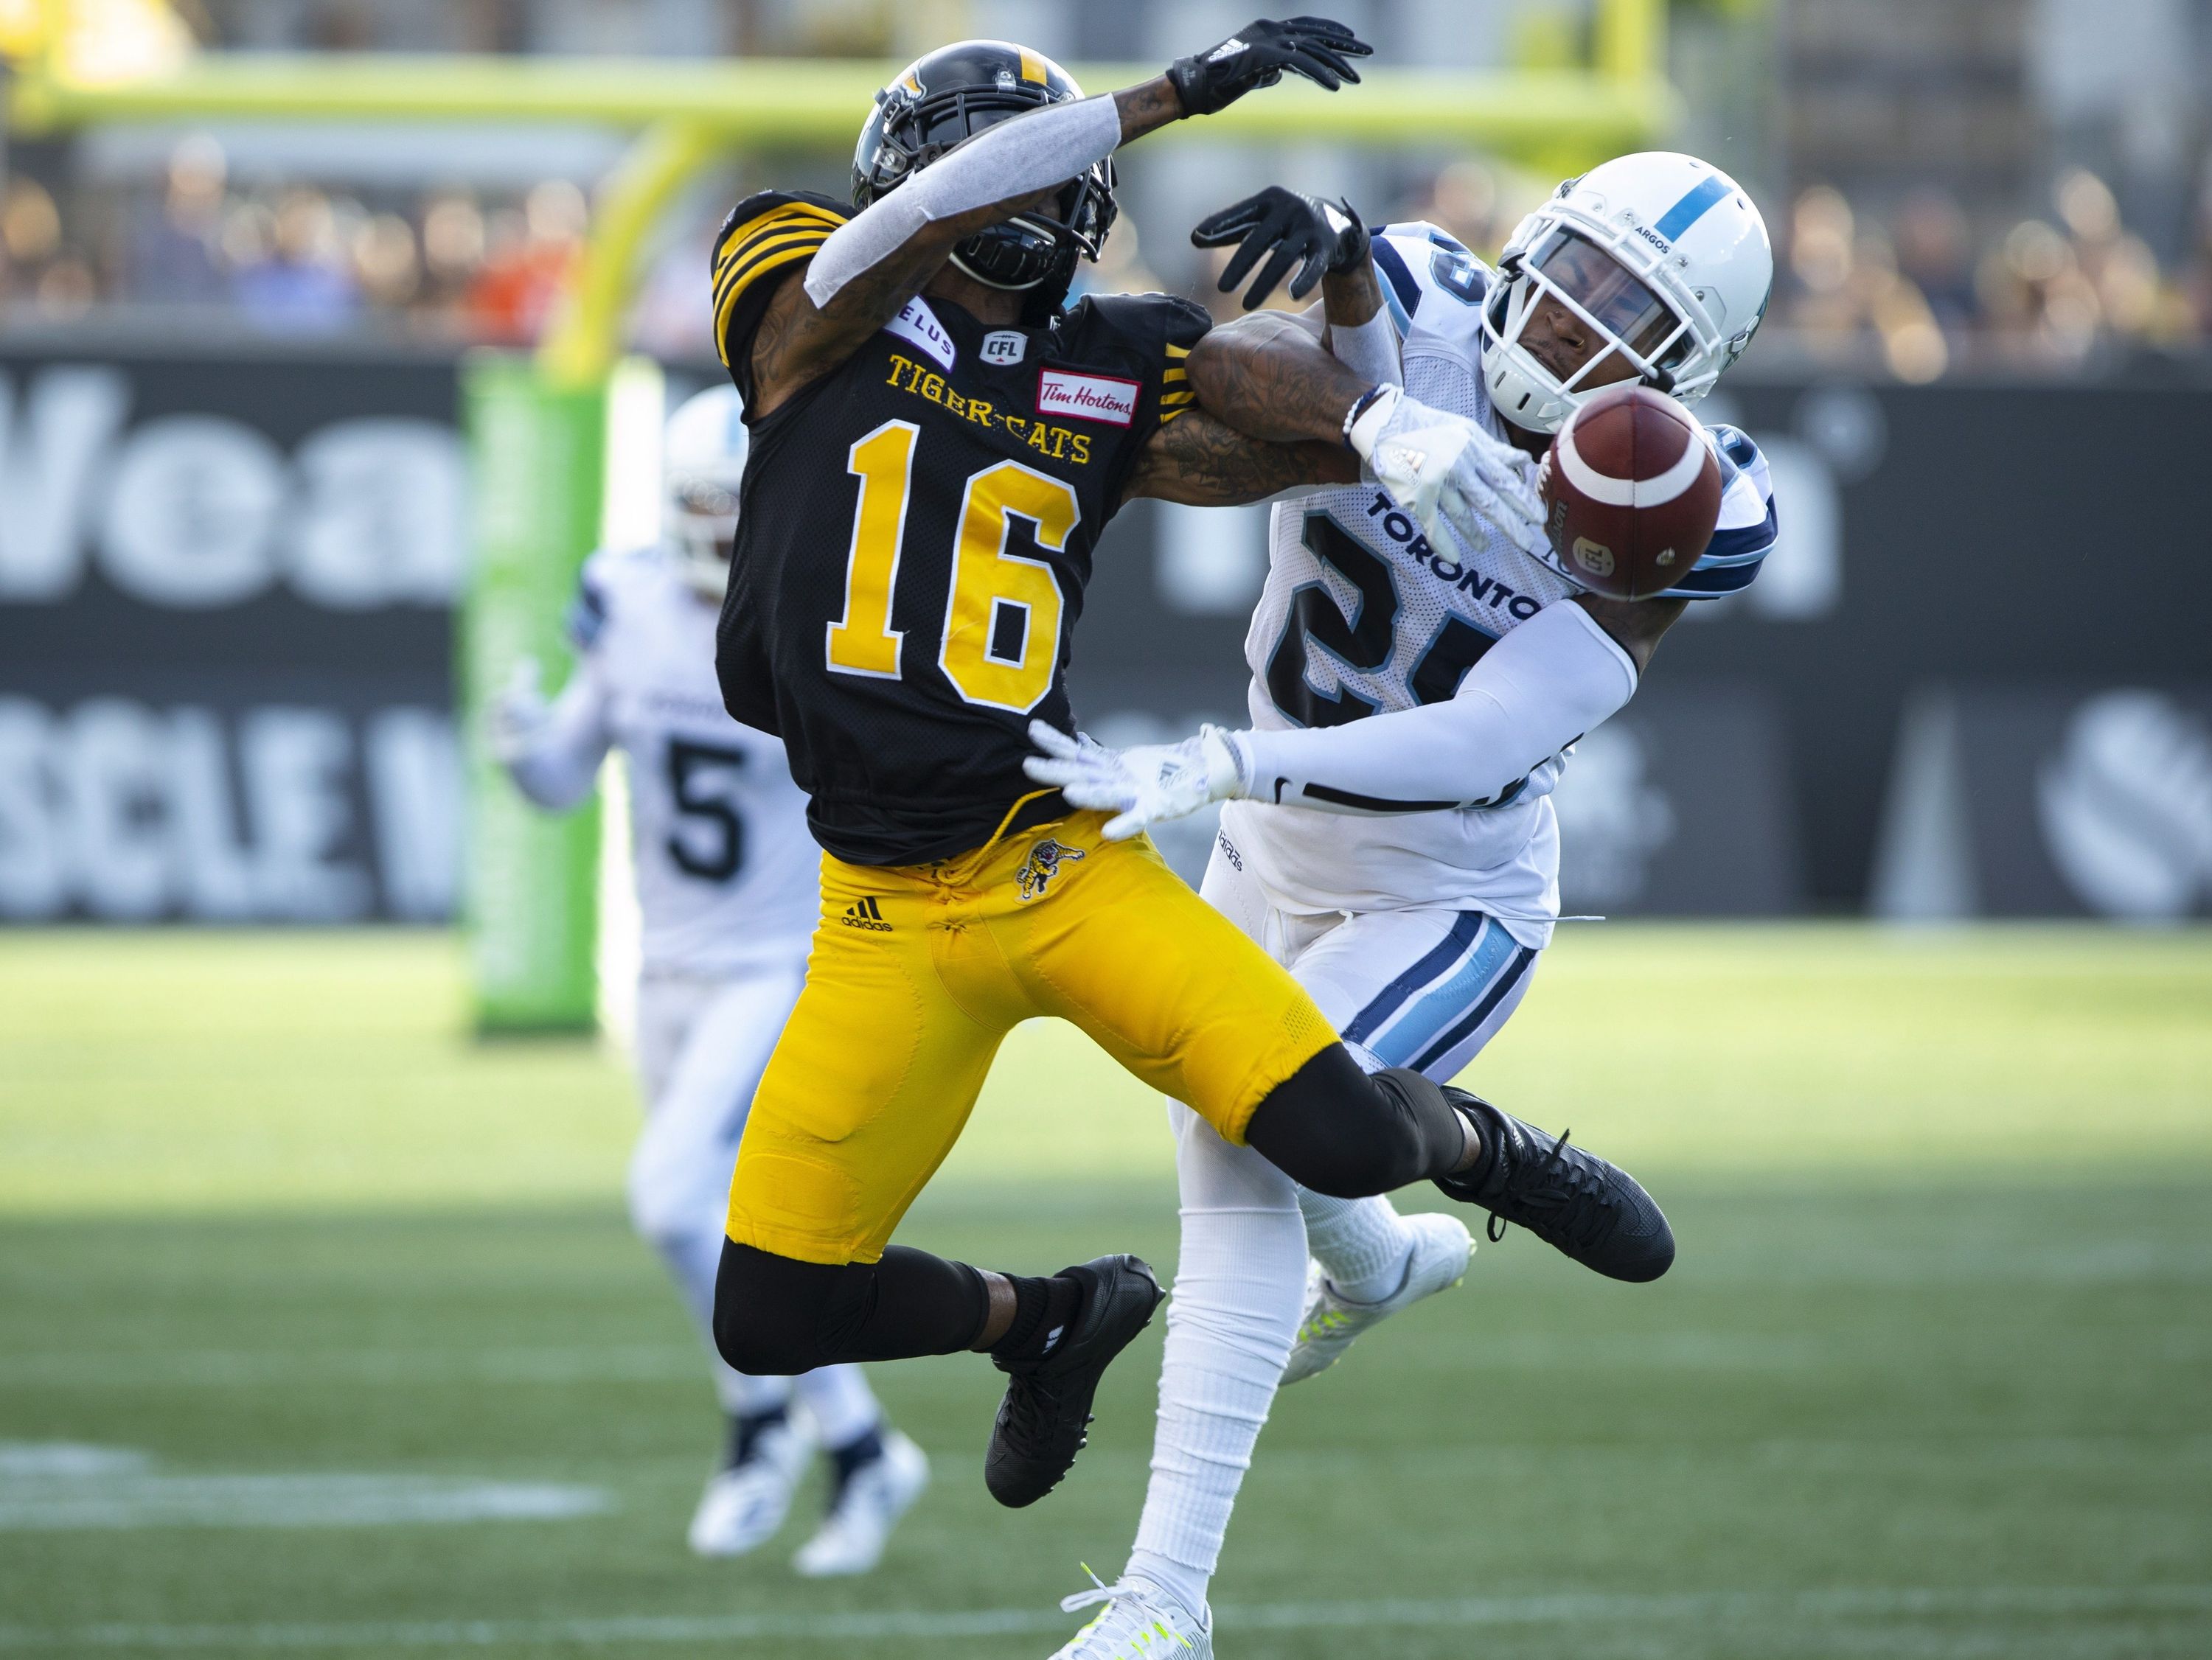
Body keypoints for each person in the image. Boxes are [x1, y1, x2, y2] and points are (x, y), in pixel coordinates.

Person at [705, 21, 1674, 1615]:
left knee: (1340, 1136)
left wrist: (1377, 418)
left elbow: (1254, 379)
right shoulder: (802, 281)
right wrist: (1165, 97)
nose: (979, 189)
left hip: (1058, 855)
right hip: (878, 909)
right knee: (773, 1309)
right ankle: (1051, 1319)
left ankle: (1497, 1155)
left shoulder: (1106, 365)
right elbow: (919, 220)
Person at [1023, 153, 1778, 1655]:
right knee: (1254, 1133)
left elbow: (1478, 740)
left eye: (1631, 308)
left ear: (1688, 367)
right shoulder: (1424, 293)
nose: (1573, 318)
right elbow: (1235, 378)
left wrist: (1236, 757)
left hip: (1444, 887)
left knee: (1246, 1133)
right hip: (1266, 850)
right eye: (1578, 265)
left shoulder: (1681, 492)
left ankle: (1165, 1601)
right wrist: (1348, 275)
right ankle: (1381, 1256)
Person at [490, 386, 926, 1577]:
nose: (720, 536)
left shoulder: (825, 606)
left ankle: (775, 1430)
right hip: (666, 971)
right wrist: (525, 749)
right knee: (729, 1229)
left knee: (673, 1200)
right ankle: (849, 1451)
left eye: (736, 512)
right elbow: (566, 779)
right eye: (704, 510)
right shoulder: (625, 595)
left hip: (778, 961)